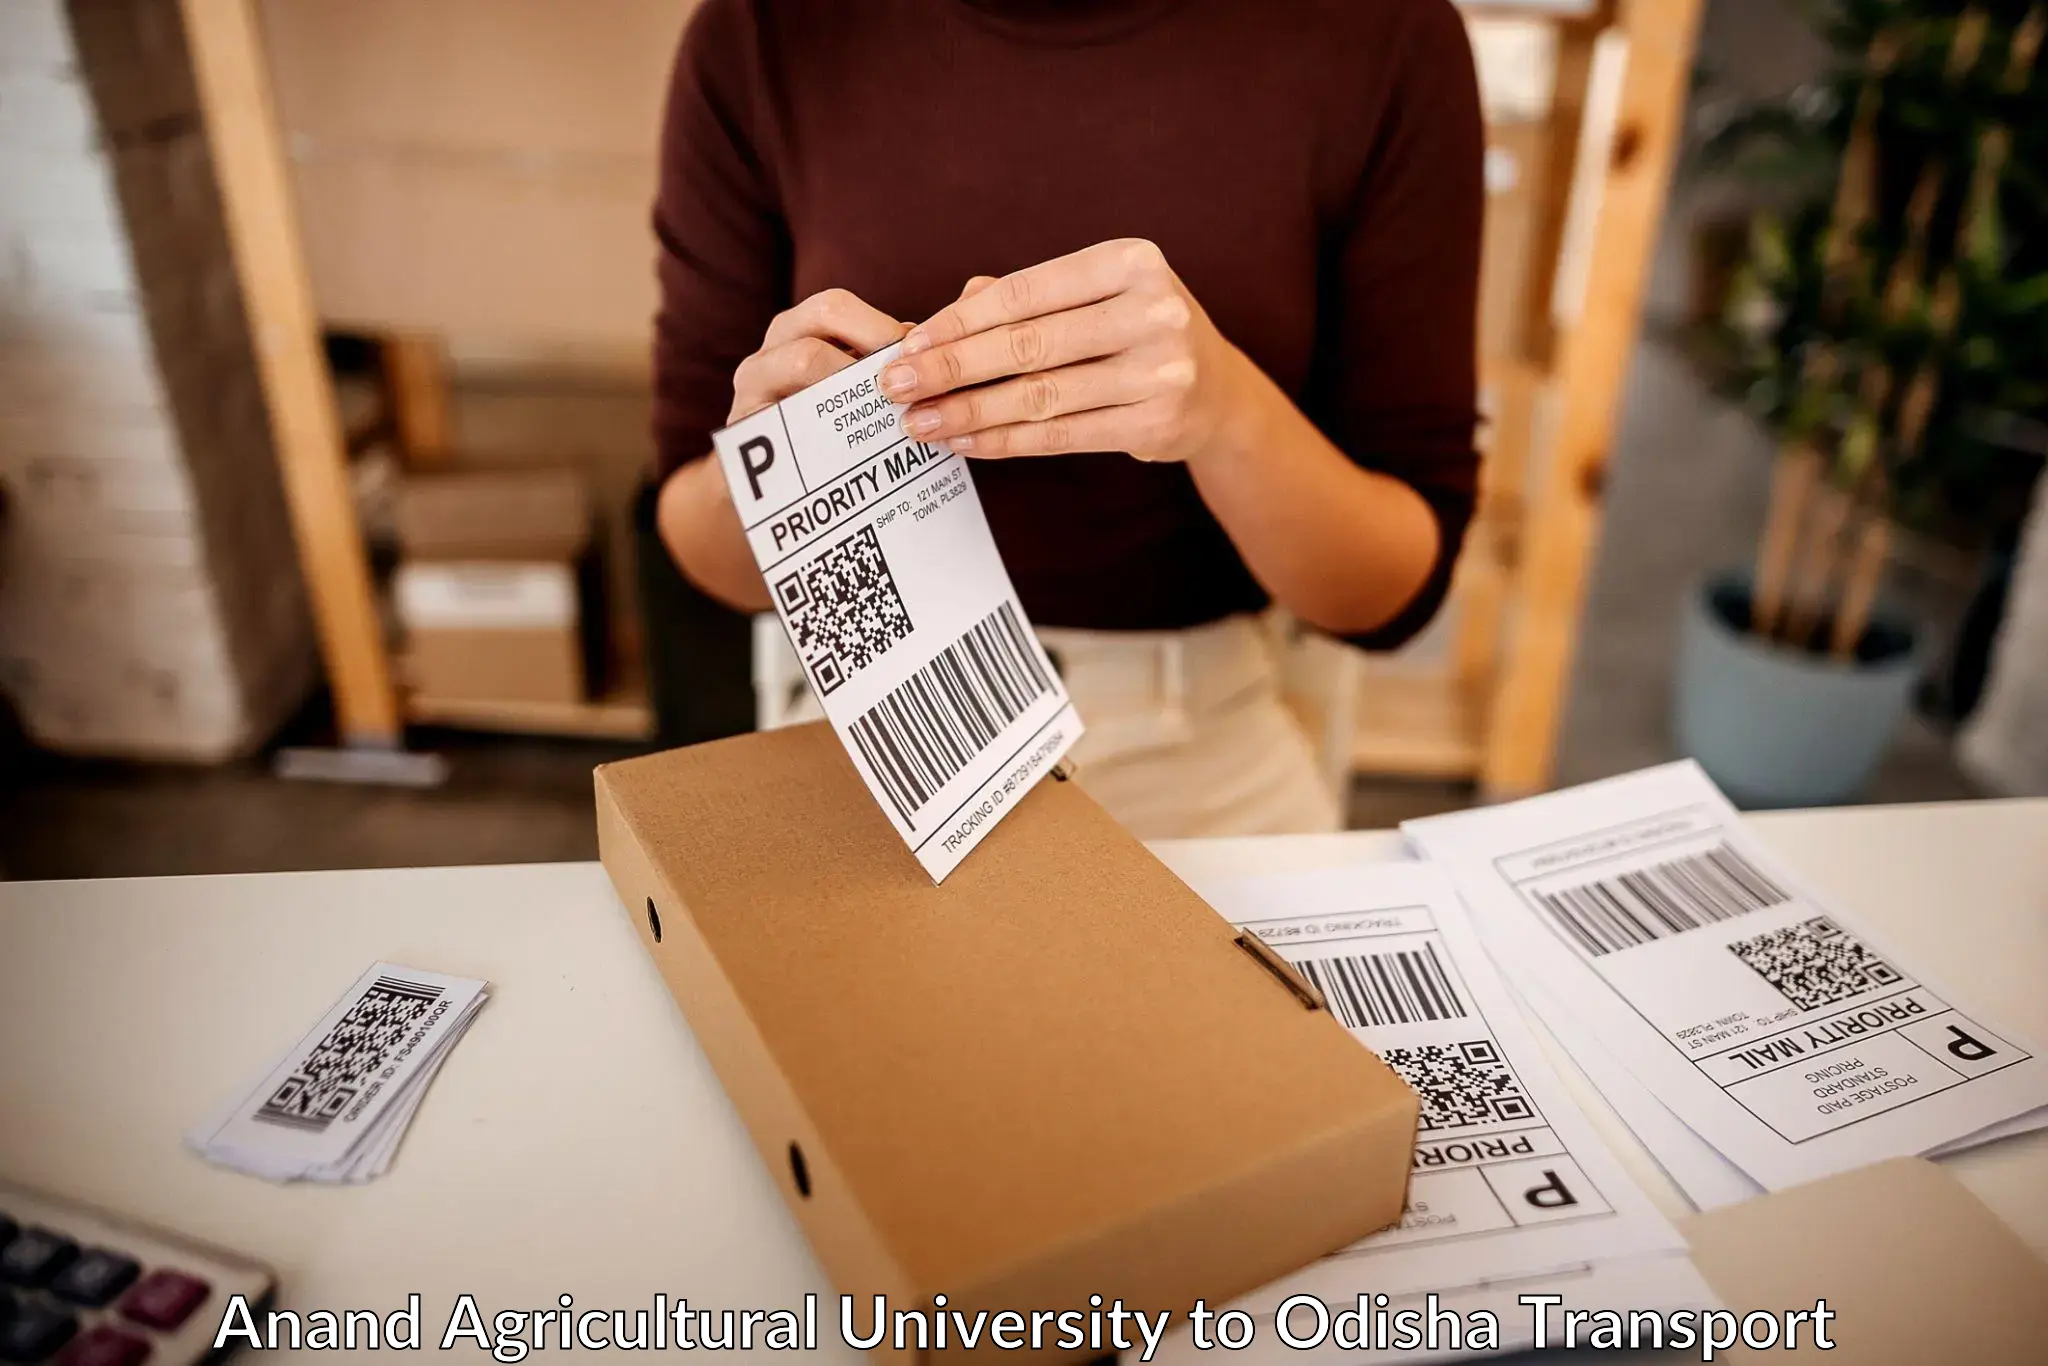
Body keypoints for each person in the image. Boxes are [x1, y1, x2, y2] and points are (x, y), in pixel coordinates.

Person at [652, 0, 1484, 838]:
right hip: (860, 731)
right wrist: (773, 469)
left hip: (1201, 744)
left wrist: (1226, 413)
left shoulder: (1384, 35)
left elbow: (1394, 588)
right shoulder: (763, 34)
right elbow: (696, 540)